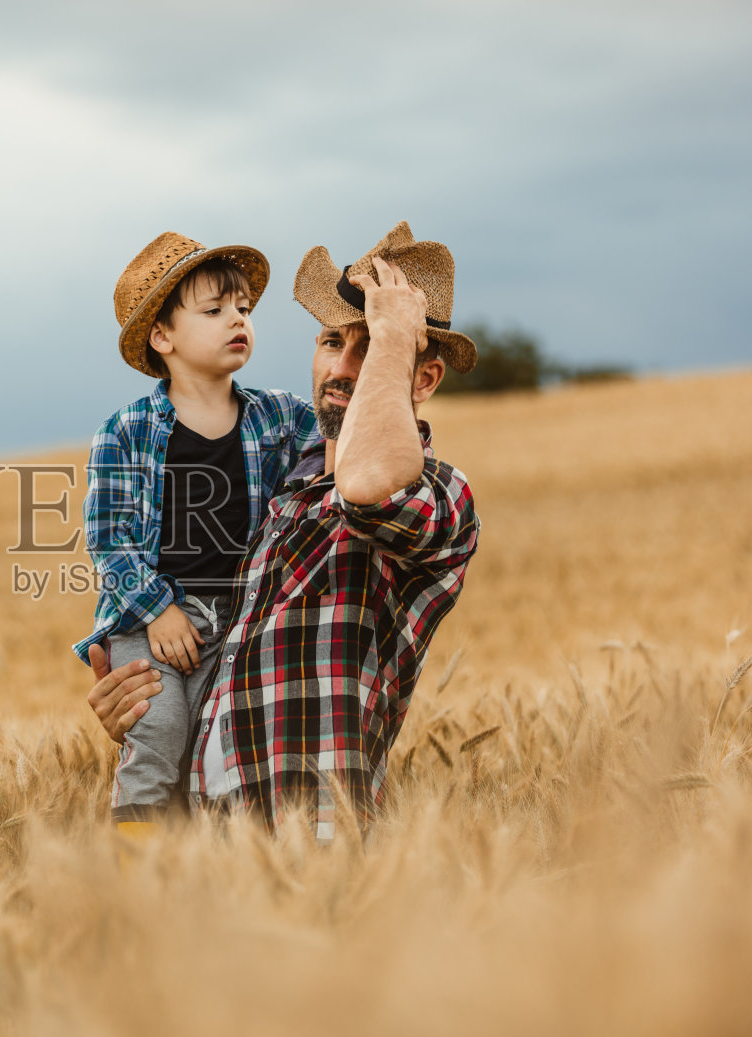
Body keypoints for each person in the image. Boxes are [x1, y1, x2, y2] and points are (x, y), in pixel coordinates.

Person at [86, 222, 481, 840]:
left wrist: (398, 336)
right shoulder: (282, 493)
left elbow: (369, 483)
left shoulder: (437, 496)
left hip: (308, 856)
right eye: (331, 341)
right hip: (204, 868)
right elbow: (118, 541)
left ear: (421, 377)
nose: (343, 367)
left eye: (371, 348)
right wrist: (146, 712)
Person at [73, 232, 319, 836]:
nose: (237, 320)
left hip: (237, 623)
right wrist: (159, 610)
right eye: (214, 311)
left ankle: (203, 876)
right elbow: (109, 538)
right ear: (164, 337)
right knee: (159, 737)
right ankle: (135, 867)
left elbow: (338, 454)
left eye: (243, 310)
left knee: (219, 753)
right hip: (148, 625)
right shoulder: (125, 431)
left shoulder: (282, 417)